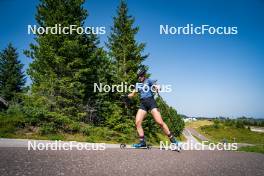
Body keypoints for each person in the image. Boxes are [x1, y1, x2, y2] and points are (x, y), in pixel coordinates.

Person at [127, 66, 178, 148]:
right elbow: (133, 94)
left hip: (151, 102)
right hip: (143, 104)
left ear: (144, 75)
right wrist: (128, 96)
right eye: (138, 76)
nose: (140, 77)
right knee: (137, 122)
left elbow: (157, 86)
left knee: (160, 122)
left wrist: (158, 87)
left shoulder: (149, 81)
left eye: (141, 75)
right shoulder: (138, 85)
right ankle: (142, 142)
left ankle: (173, 140)